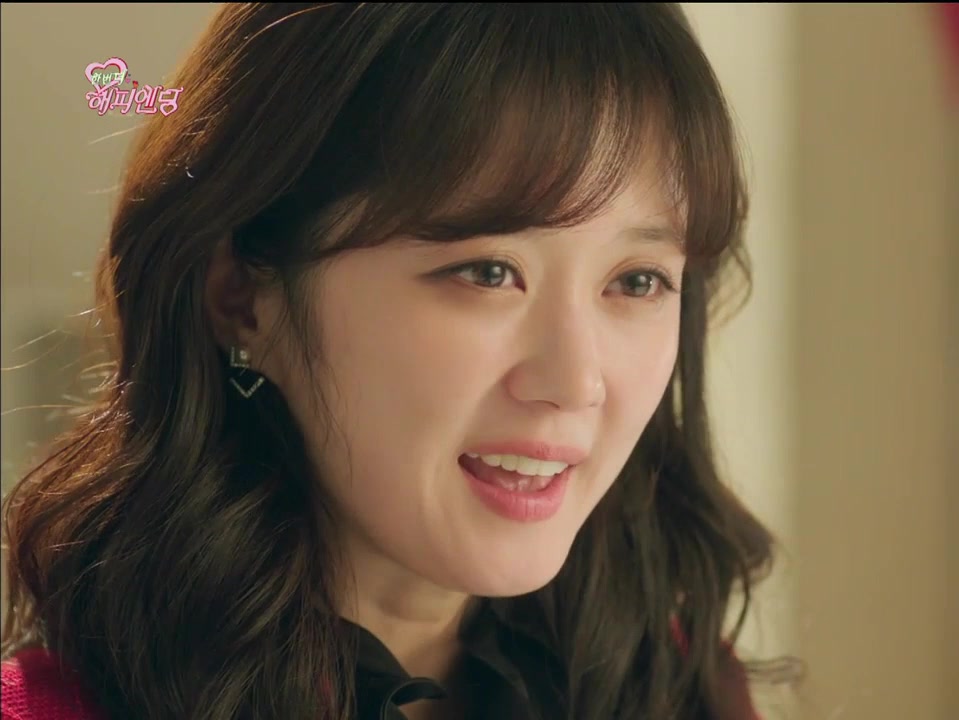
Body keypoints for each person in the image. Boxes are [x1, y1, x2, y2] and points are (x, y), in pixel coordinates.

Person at [1, 4, 802, 718]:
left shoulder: (677, 685)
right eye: (488, 272)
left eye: (637, 281)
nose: (575, 383)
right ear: (242, 295)